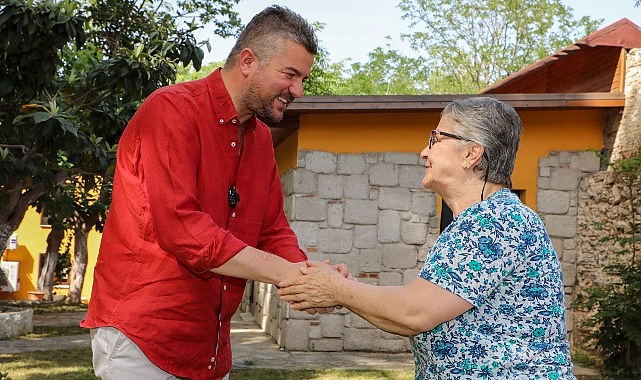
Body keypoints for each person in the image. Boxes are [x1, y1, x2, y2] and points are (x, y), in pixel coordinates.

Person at [81, 6, 342, 380]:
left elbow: (272, 230)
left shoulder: (262, 140)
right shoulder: (170, 110)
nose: (297, 90)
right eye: (291, 75)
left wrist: (309, 276)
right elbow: (183, 230)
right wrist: (292, 274)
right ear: (248, 61)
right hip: (141, 340)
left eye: (303, 79)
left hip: (212, 347)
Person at [278, 97, 576, 379]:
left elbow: (414, 313)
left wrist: (337, 289)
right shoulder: (483, 220)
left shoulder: (494, 221)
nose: (425, 151)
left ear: (472, 154)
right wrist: (347, 291)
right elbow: (410, 316)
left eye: (436, 139)